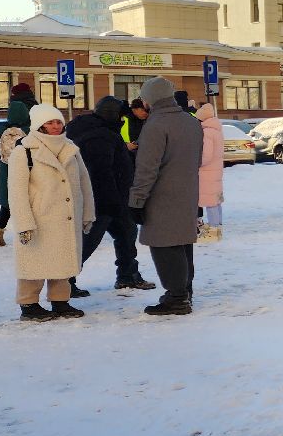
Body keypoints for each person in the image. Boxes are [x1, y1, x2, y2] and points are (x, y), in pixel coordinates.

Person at [8, 103, 95, 321]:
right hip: (40, 219)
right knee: (34, 262)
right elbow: (17, 192)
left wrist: (87, 213)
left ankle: (60, 301)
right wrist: (24, 223)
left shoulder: (71, 148)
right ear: (40, 125)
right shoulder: (24, 151)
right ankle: (28, 304)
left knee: (63, 259)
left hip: (66, 217)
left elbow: (84, 183)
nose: (56, 126)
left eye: (58, 122)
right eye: (50, 122)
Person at [128, 76, 204, 314]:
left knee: (164, 245)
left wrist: (137, 200)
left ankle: (177, 298)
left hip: (161, 196)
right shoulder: (191, 122)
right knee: (182, 243)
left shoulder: (155, 125)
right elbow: (197, 159)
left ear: (150, 99)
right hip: (187, 192)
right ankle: (185, 291)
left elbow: (146, 168)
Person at [65, 96, 153, 290]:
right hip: (102, 201)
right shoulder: (100, 136)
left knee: (127, 233)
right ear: (112, 115)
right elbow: (100, 172)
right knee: (87, 242)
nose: (123, 120)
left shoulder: (99, 130)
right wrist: (109, 203)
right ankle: (64, 282)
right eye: (121, 116)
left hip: (115, 198)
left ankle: (128, 276)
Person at [0, 98, 32, 247]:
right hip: (25, 171)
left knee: (7, 205)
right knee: (27, 203)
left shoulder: (0, 131)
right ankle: (25, 233)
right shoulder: (30, 131)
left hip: (6, 171)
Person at [196, 99, 225, 242]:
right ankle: (217, 228)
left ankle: (213, 231)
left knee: (210, 201)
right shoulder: (217, 130)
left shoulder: (207, 132)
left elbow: (206, 155)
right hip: (216, 170)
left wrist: (197, 164)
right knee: (216, 200)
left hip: (207, 172)